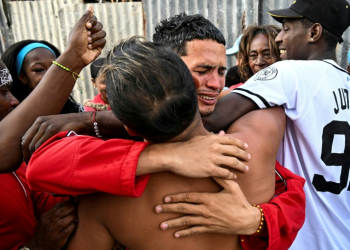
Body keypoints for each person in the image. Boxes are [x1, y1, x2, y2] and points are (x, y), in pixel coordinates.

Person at [26, 13, 305, 250]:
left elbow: (293, 201)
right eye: (203, 70)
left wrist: (256, 221)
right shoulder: (247, 147)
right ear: (178, 72)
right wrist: (166, 155)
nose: (215, 83)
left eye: (221, 71)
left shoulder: (103, 201)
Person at [170, 0, 349, 249]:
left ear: (314, 32)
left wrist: (102, 121)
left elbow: (212, 118)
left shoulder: (291, 73)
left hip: (303, 238)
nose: (278, 39)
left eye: (286, 28)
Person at [0, 6, 107, 249]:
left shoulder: (18, 163)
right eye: (4, 93)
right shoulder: (14, 140)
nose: (14, 101)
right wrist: (36, 247)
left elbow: (40, 200)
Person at [1, 39, 84, 114]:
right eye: (39, 69)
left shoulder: (75, 110)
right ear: (22, 77)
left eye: (57, 67)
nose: (52, 74)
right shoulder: (12, 118)